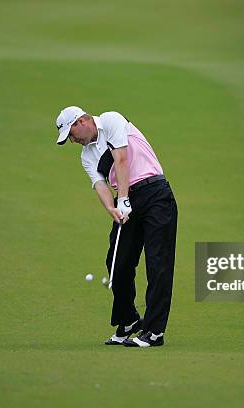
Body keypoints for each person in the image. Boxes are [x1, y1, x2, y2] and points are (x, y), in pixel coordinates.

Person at [55, 106, 178, 347]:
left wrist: (122, 199)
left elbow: (121, 159)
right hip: (126, 200)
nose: (72, 140)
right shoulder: (86, 155)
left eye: (71, 133)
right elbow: (100, 184)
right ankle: (129, 319)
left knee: (158, 264)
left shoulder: (111, 120)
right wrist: (111, 208)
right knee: (116, 264)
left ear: (81, 121)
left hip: (155, 195)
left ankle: (154, 332)